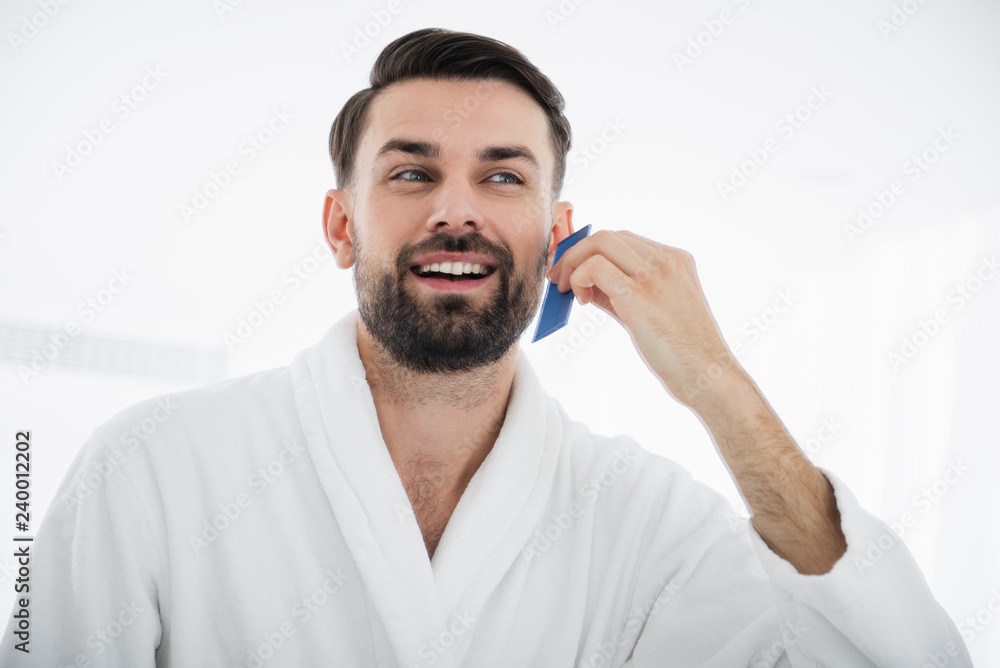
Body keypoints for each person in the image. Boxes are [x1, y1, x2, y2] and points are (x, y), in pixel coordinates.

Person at [1, 27, 972, 667]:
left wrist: (720, 387)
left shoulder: (648, 526)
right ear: (341, 226)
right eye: (412, 172)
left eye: (503, 178)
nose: (456, 209)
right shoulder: (151, 468)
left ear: (559, 235)